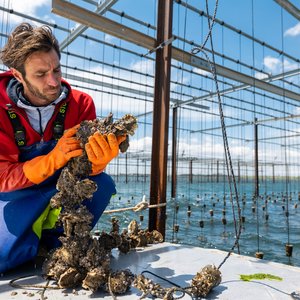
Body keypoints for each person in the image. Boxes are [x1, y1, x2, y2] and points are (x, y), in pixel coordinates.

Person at [0, 23, 125, 274]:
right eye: (40, 74)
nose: (53, 81)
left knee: (103, 183)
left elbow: (85, 171)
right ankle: (25, 242)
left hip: (63, 188)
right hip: (17, 193)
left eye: (57, 69)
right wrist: (52, 159)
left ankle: (57, 242)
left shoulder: (81, 103)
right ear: (18, 75)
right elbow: (2, 176)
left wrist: (98, 161)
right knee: (5, 259)